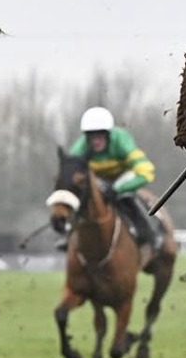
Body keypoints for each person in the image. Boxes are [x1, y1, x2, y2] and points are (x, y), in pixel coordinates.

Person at [66, 106, 163, 250]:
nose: (96, 141)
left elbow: (146, 172)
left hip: (122, 177)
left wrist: (118, 188)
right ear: (86, 137)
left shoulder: (121, 140)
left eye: (100, 135)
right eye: (92, 136)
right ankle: (68, 234)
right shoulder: (79, 148)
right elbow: (69, 178)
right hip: (96, 180)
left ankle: (150, 233)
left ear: (108, 134)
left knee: (126, 196)